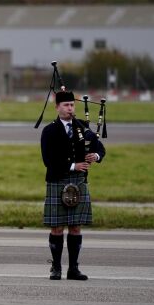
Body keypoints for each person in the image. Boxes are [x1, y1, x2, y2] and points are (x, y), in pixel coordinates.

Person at [41, 90, 105, 281]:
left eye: (72, 105)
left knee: (75, 227)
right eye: (66, 105)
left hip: (78, 182)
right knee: (57, 228)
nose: (70, 108)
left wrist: (97, 156)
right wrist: (73, 165)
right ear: (57, 107)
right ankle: (56, 268)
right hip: (58, 180)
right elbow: (48, 160)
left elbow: (99, 147)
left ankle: (73, 269)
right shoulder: (50, 130)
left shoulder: (82, 128)